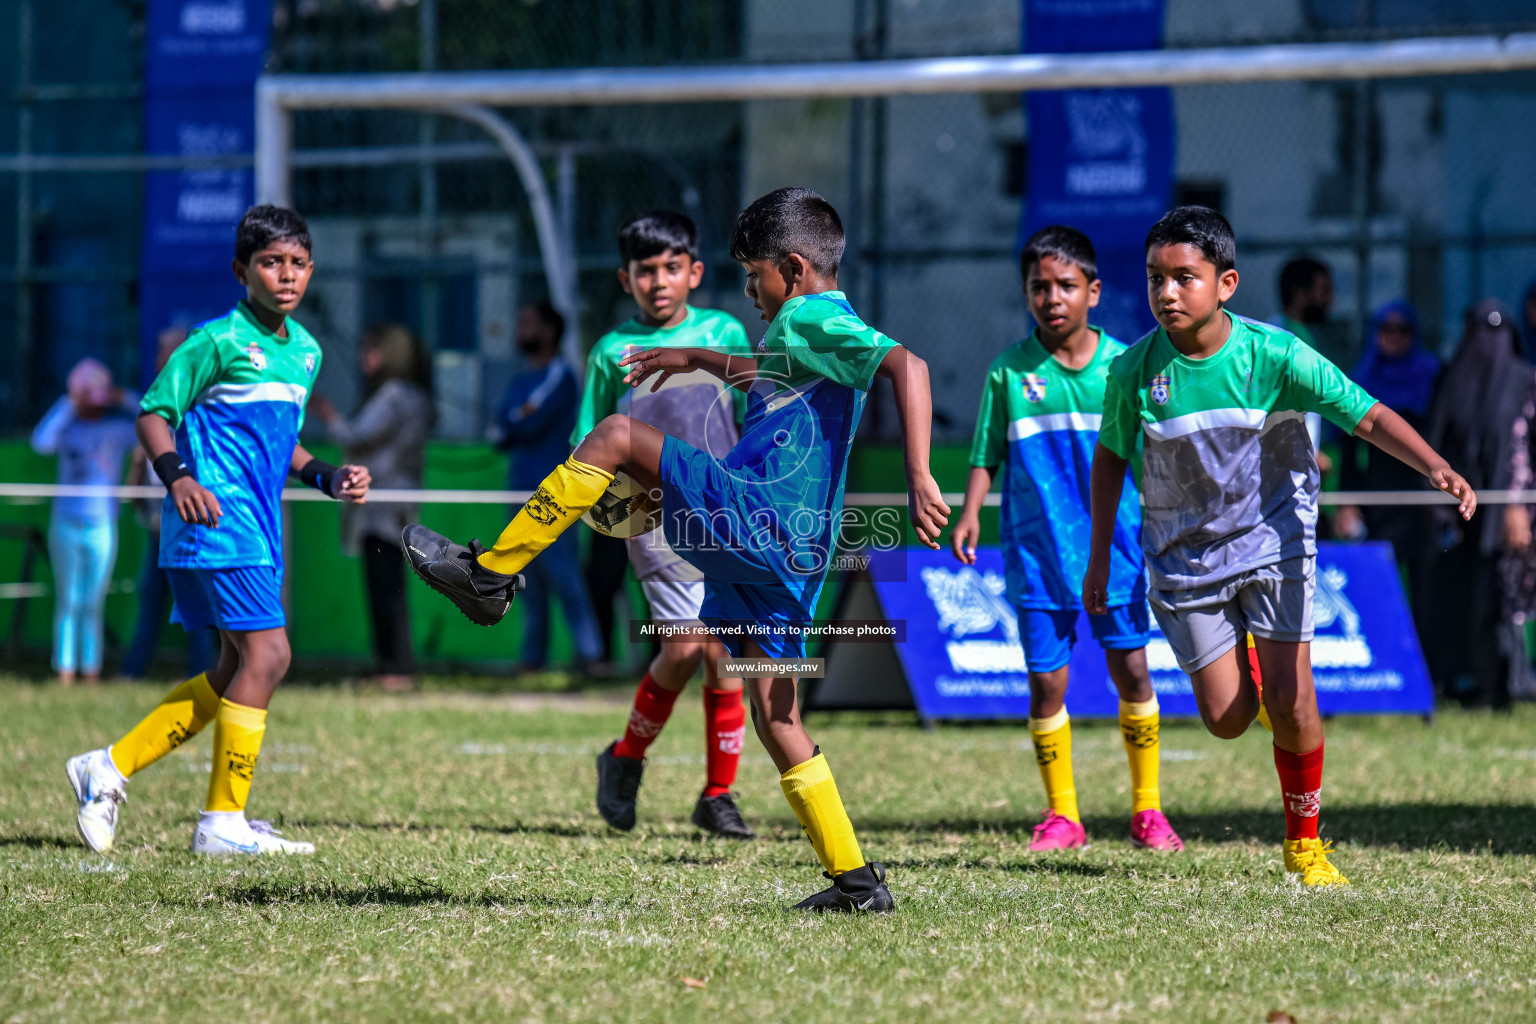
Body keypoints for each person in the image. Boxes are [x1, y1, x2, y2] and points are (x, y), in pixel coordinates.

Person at [403, 187, 950, 912]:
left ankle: (491, 576)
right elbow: (775, 378)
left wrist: (918, 475)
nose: (750, 292)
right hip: (792, 554)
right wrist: (699, 357)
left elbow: (908, 367)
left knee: (618, 440)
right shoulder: (815, 326)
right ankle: (856, 884)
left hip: (762, 519)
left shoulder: (811, 313)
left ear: (791, 267)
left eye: (754, 276)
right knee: (777, 716)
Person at [1084, 206, 1476, 887]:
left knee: (1296, 705)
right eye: (1155, 279)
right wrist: (1097, 558)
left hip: (1275, 544)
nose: (1166, 293)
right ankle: (1253, 669)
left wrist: (1433, 465)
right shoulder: (1132, 373)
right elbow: (1112, 458)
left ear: (1226, 283)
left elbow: (1366, 413)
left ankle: (1305, 846)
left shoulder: (1277, 355)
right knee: (1228, 720)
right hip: (1185, 559)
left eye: (1184, 277)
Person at [63, 204, 371, 857]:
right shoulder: (215, 341)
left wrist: (327, 476)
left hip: (257, 530)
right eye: (270, 262)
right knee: (270, 655)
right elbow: (153, 414)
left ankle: (108, 767)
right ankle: (222, 824)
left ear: (311, 271)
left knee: (236, 664)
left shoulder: (306, 353)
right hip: (213, 524)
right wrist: (178, 479)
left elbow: (281, 445)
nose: (285, 275)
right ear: (241, 271)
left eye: (296, 264)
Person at [951, 225, 1182, 854]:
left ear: (1094, 291)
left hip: (1120, 552)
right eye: (1038, 287)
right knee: (1047, 683)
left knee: (1133, 670)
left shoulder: (1124, 366)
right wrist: (970, 512)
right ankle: (1064, 816)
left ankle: (1148, 812)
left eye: (1065, 285)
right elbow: (985, 453)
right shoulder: (1009, 371)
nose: (1051, 297)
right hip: (1037, 550)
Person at [578, 210, 755, 839]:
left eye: (671, 268)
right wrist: (610, 517)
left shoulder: (725, 331)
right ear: (625, 279)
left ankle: (718, 793)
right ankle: (626, 760)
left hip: (727, 514)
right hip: (651, 518)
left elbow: (754, 417)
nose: (659, 281)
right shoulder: (610, 352)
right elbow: (588, 444)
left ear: (695, 272)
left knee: (723, 654)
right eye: (645, 271)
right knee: (683, 647)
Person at [310, 323, 434, 691]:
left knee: (385, 586)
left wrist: (328, 415)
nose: (365, 357)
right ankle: (393, 665)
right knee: (389, 584)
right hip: (402, 499)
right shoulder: (417, 395)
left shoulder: (393, 394)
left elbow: (356, 436)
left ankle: (395, 667)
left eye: (373, 349)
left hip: (381, 503)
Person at [490, 303, 605, 674]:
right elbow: (502, 426)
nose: (520, 328)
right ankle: (532, 659)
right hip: (517, 489)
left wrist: (514, 421)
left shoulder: (560, 376)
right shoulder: (521, 379)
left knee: (564, 575)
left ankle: (591, 655)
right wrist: (513, 421)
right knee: (526, 581)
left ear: (550, 331)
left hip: (553, 494)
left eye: (528, 321)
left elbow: (524, 423)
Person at [1422, 300, 1525, 708]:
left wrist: (1516, 507)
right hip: (1458, 520)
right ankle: (1464, 681)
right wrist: (1442, 511)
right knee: (1461, 603)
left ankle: (1510, 685)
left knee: (1505, 604)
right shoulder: (1452, 381)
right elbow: (1432, 446)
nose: (1489, 343)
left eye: (1497, 332)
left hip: (1511, 517)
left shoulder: (1524, 381)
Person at [30, 358, 141, 686]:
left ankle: (90, 672)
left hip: (103, 525)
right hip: (65, 524)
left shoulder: (118, 430)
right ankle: (64, 671)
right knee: (69, 600)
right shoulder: (67, 428)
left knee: (93, 601)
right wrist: (69, 402)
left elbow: (156, 423)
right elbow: (41, 442)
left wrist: (123, 398)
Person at [1333, 302, 1440, 626]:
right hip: (1381, 500)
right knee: (1380, 587)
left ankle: (1431, 672)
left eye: (1402, 329)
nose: (1394, 337)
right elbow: (1348, 450)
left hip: (1427, 497)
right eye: (1386, 329)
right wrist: (1347, 501)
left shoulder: (1432, 376)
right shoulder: (1364, 378)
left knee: (1428, 592)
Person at [120, 328, 217, 680]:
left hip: (191, 528)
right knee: (150, 600)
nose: (162, 358)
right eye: (161, 350)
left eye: (169, 350)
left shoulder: (201, 401)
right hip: (156, 529)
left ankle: (203, 674)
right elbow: (142, 462)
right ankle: (133, 670)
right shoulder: (155, 398)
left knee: (198, 607)